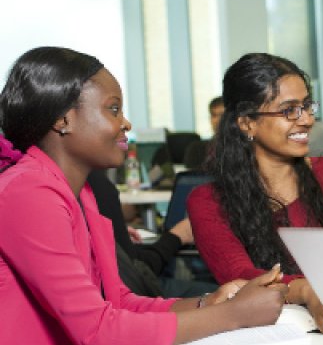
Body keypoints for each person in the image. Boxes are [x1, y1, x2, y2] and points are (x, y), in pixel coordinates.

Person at [0, 46, 287, 344]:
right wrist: (235, 315)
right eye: (113, 109)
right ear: (63, 119)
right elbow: (99, 332)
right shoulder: (28, 192)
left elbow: (118, 302)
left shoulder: (80, 193)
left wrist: (212, 303)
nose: (125, 123)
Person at [187, 53, 323, 333]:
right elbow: (241, 276)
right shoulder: (208, 201)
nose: (305, 120)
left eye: (307, 106)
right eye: (289, 110)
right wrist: (304, 290)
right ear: (247, 123)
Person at [87, 170, 218, 298]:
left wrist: (116, 230)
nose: (124, 146)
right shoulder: (96, 184)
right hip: (131, 295)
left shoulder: (84, 187)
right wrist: (177, 236)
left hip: (113, 293)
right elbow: (138, 274)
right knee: (221, 293)